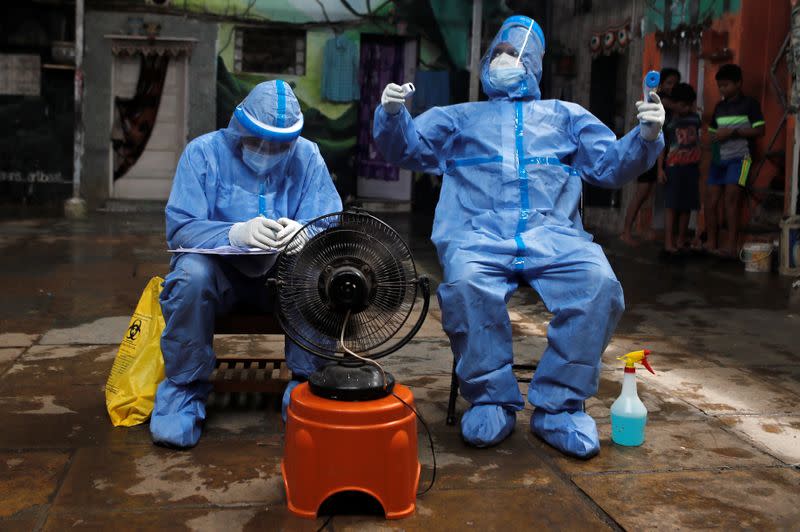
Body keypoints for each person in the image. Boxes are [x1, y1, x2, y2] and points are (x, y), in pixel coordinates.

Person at [372, 16, 664, 458]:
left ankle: (558, 407)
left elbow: (610, 166)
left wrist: (646, 136)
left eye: (516, 56)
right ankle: (491, 399)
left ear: (534, 65)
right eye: (499, 54)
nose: (505, 62)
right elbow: (406, 149)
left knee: (599, 285)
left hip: (554, 237)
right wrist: (393, 117)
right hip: (479, 236)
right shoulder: (459, 118)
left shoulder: (567, 117)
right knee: (467, 285)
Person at [151, 80, 343, 448]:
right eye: (256, 140)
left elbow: (329, 218)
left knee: (318, 273)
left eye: (280, 146)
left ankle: (308, 389)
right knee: (190, 275)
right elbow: (180, 229)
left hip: (284, 281)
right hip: (219, 280)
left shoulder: (308, 157)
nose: (267, 152)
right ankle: (183, 391)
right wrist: (232, 234)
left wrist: (305, 232)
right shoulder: (202, 154)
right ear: (240, 127)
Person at [706, 64, 765, 257]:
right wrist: (711, 138)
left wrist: (732, 132)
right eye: (720, 86)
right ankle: (711, 243)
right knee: (712, 201)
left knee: (733, 199)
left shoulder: (750, 104)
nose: (722, 89)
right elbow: (713, 132)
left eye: (726, 85)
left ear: (738, 83)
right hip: (718, 160)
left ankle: (732, 246)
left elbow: (760, 130)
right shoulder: (720, 107)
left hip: (743, 161)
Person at [621, 67, 681, 246]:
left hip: (661, 153)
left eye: (675, 84)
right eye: (669, 83)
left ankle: (642, 229)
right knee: (641, 193)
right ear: (661, 85)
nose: (672, 87)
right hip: (649, 152)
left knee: (649, 193)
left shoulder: (668, 103)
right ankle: (626, 232)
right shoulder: (657, 100)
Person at [658, 82, 702, 253]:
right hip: (673, 167)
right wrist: (660, 169)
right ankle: (669, 242)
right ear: (674, 103)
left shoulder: (695, 118)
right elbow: (662, 146)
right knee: (672, 206)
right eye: (682, 105)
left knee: (687, 205)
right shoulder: (668, 121)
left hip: (691, 168)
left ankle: (681, 240)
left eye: (688, 105)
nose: (685, 108)